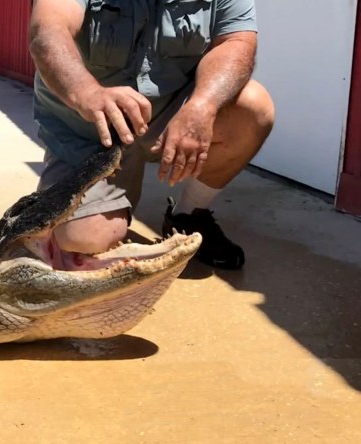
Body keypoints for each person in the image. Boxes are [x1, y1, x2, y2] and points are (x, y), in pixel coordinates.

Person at [28, 0, 275, 270]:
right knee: (82, 242)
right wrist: (88, 93)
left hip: (170, 114)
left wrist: (202, 106)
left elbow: (236, 42)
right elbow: (48, 31)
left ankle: (189, 215)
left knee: (254, 109)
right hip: (90, 128)